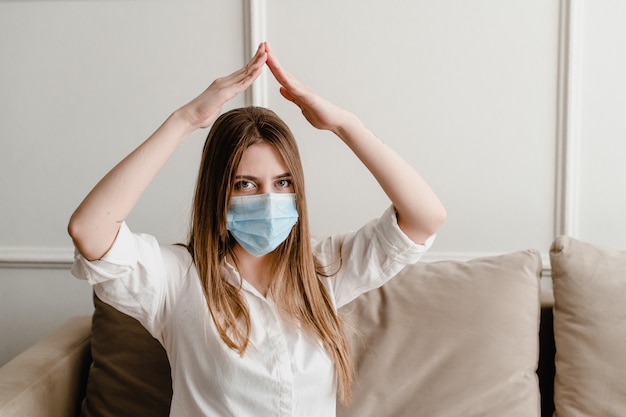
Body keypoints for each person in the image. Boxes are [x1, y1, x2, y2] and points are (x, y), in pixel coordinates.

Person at [68, 42, 446, 416]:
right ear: (219, 192)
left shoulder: (324, 270)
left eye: (282, 183)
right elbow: (89, 229)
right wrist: (183, 121)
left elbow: (425, 217)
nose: (268, 199)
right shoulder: (177, 279)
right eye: (245, 184)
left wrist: (345, 125)